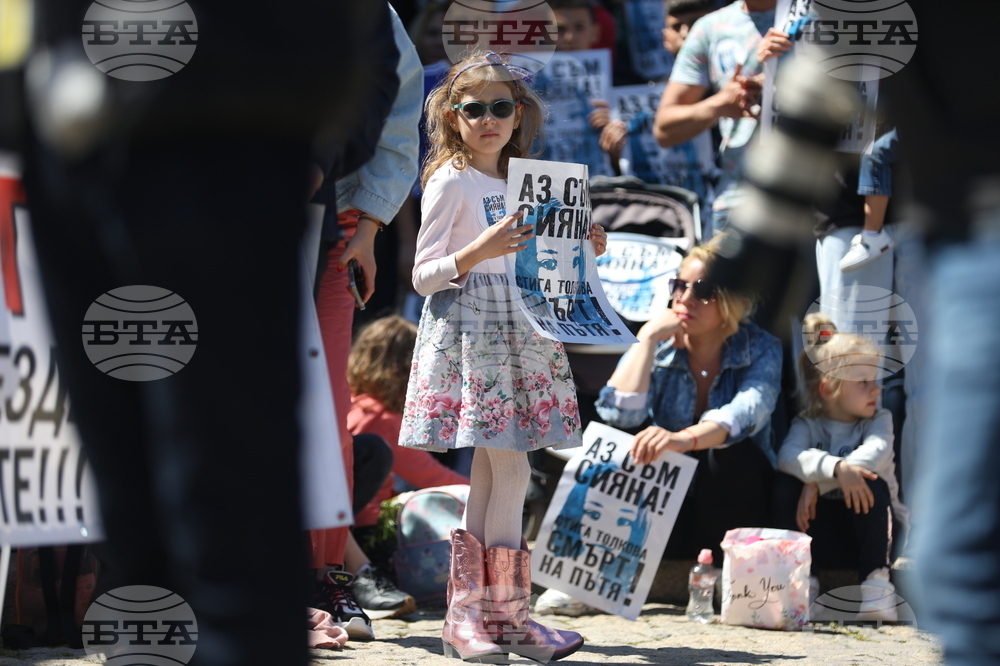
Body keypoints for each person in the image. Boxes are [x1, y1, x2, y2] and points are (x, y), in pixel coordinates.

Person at [15, 3, 400, 665]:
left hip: (221, 128)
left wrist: (313, 154)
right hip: (58, 136)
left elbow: (373, 47)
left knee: (229, 505)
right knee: (127, 511)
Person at [398, 51, 610, 662]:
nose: (488, 119)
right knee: (511, 467)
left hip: (526, 326)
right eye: (474, 108)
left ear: (518, 115)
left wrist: (585, 243)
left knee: (495, 471)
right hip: (474, 332)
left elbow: (549, 265)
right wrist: (478, 249)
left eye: (500, 107)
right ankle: (492, 617)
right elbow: (422, 276)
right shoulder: (451, 179)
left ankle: (484, 616)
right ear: (453, 115)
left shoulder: (529, 179)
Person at [307, 3, 422, 643]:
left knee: (328, 413)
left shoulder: (366, 9)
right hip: (227, 219)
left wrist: (372, 223)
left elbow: (398, 106)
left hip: (335, 231)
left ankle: (323, 574)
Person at [596, 235, 782, 565]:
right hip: (668, 502)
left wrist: (682, 439)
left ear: (733, 299)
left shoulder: (762, 347)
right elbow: (617, 416)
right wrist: (647, 338)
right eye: (679, 286)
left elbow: (748, 411)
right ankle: (596, 572)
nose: (685, 298)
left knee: (731, 452)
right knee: (625, 441)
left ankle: (730, 572)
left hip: (731, 502)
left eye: (703, 289)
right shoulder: (660, 343)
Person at [774, 313, 908, 620]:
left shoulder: (880, 420)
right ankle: (803, 583)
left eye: (875, 380)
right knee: (786, 485)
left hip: (873, 538)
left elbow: (874, 455)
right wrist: (834, 469)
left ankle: (876, 586)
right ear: (827, 389)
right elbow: (787, 455)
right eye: (863, 382)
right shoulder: (807, 423)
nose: (875, 389)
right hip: (824, 535)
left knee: (869, 480)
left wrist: (818, 482)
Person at [347, 315, 469, 578]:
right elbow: (432, 477)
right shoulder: (384, 419)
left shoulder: (351, 402)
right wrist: (485, 492)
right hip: (366, 530)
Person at [653, 0, 773, 237]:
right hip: (738, 202)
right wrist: (721, 103)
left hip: (821, 200)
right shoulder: (710, 27)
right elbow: (664, 129)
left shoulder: (820, 15)